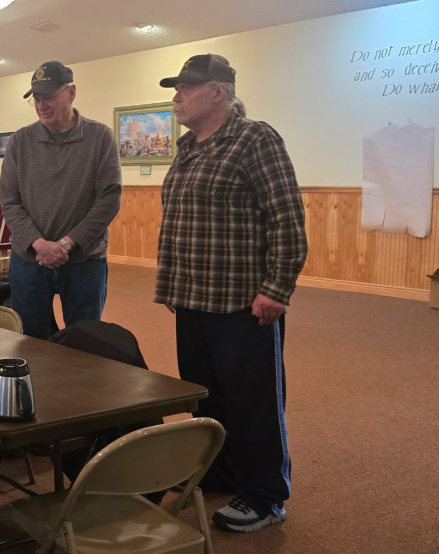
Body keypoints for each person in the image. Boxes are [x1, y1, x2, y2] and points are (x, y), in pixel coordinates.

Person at [153, 54, 308, 533]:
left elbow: (287, 218)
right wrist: (173, 282)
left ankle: (264, 496)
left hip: (244, 303)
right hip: (193, 299)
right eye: (176, 88)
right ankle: (219, 473)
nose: (177, 96)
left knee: (253, 401)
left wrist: (276, 289)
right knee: (206, 396)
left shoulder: (255, 139)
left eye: (186, 87)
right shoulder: (187, 147)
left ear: (218, 92)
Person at [0, 61, 122, 339]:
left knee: (84, 341)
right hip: (29, 259)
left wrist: (66, 243)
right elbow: (9, 200)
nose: (41, 105)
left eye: (49, 97)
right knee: (29, 342)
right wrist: (39, 244)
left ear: (71, 93)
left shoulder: (100, 136)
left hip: (83, 260)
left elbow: (109, 199)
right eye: (36, 99)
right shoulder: (20, 141)